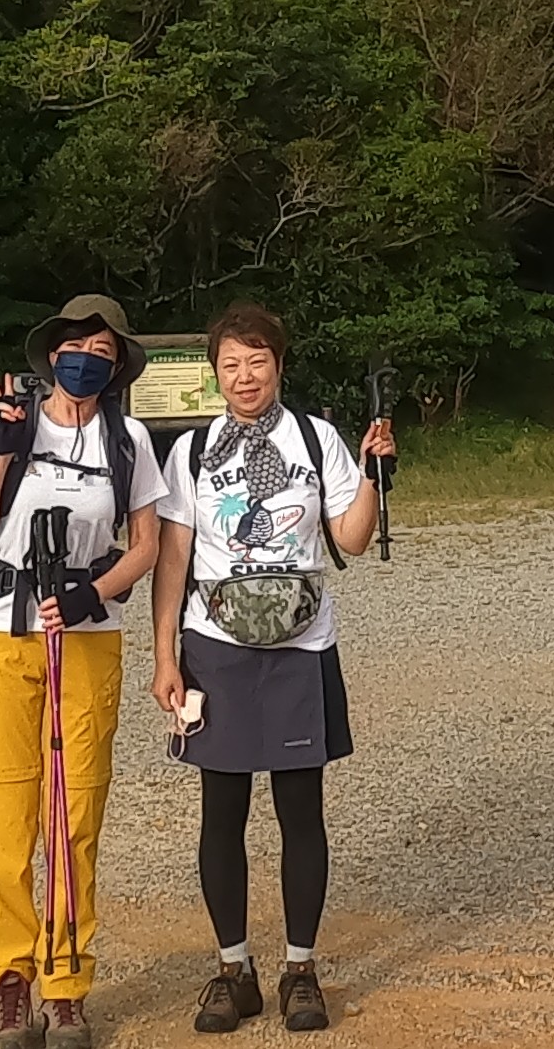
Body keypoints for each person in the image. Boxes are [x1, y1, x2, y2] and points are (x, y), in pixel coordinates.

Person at [148, 304, 395, 1034]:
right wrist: (164, 655)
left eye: (257, 360)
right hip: (214, 647)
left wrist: (376, 472)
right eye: (230, 363)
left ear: (279, 364)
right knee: (220, 814)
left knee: (300, 812)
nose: (244, 376)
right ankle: (233, 970)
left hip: (300, 645)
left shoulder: (317, 442)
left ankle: (299, 968)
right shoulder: (191, 451)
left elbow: (350, 535)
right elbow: (172, 559)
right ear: (214, 371)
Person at [0, 294, 168, 1048]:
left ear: (115, 369)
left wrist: (90, 594)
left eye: (103, 353)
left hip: (85, 631)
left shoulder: (129, 437)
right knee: (6, 809)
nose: (86, 360)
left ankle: (67, 982)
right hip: (3, 630)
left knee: (74, 811)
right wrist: (5, 449)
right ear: (51, 355)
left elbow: (144, 545)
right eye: (76, 346)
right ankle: (8, 983)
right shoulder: (8, 423)